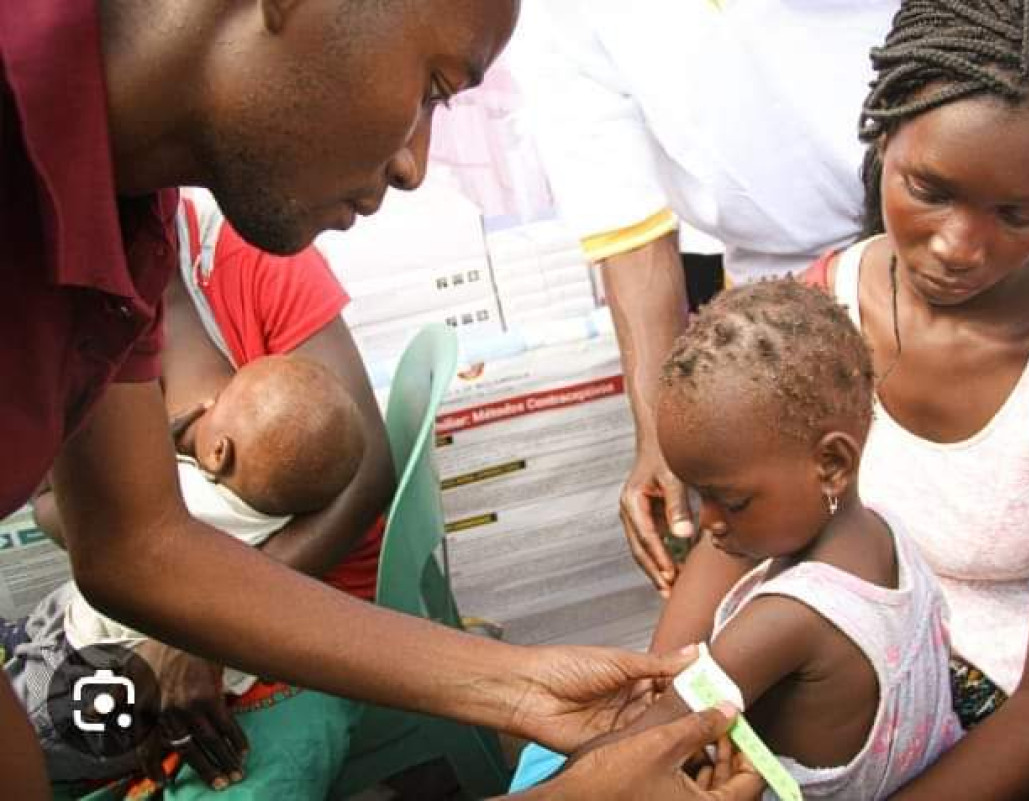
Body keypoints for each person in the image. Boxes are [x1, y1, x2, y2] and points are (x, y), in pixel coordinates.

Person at [0, 3, 763, 799]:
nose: (415, 166)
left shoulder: (131, 213)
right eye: (433, 86)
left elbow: (138, 543)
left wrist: (520, 688)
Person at [652, 0, 1029, 796]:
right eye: (930, 188)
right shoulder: (819, 314)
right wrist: (665, 717)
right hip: (850, 679)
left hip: (1015, 733)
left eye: (1019, 212)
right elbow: (732, 539)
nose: (959, 246)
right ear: (883, 133)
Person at [511, 281, 963, 798]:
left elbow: (635, 751)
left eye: (732, 501)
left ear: (832, 465)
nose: (708, 523)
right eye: (701, 497)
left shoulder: (782, 620)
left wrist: (548, 787)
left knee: (537, 757)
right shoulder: (886, 536)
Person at [509, 0, 901, 595]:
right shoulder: (567, 15)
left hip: (957, 229)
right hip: (781, 305)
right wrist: (664, 438)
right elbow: (630, 228)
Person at [9, 354, 364, 790]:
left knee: (24, 729)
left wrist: (161, 444)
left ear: (219, 452)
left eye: (218, 404)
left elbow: (52, 513)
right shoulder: (282, 524)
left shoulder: (179, 499)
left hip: (84, 679)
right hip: (117, 677)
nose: (208, 400)